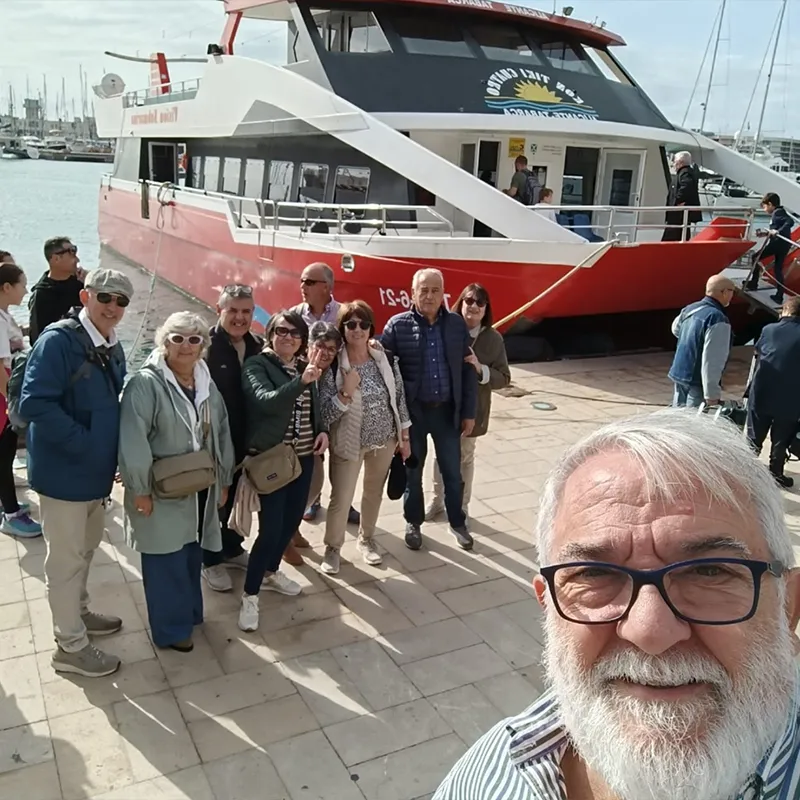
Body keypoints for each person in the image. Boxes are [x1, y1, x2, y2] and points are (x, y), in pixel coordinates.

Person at [434, 410, 800, 800]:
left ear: (789, 606)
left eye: (708, 571)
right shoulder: (482, 781)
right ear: (549, 608)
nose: (650, 632)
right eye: (594, 574)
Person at [19, 269, 131, 677]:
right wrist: (86, 444)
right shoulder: (57, 342)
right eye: (105, 297)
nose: (113, 307)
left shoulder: (111, 343)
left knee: (85, 550)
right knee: (64, 563)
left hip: (93, 475)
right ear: (86, 296)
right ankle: (69, 646)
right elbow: (34, 404)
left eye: (121, 301)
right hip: (64, 474)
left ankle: (78, 614)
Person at [119, 312, 234, 652]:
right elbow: (133, 439)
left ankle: (190, 614)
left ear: (203, 345)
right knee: (164, 558)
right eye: (177, 338)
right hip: (160, 487)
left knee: (189, 554)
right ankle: (171, 631)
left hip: (198, 485)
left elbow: (221, 431)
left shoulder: (205, 381)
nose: (186, 346)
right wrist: (140, 489)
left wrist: (224, 478)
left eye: (194, 339)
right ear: (164, 342)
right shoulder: (145, 384)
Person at [238, 310, 329, 632]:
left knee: (291, 522)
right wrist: (301, 382)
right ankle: (250, 595)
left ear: (302, 340)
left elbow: (313, 406)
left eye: (295, 332)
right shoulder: (257, 366)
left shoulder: (305, 367)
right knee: (271, 529)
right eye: (281, 331)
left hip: (303, 458)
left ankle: (271, 572)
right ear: (270, 334)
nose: (288, 337)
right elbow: (266, 401)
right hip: (273, 460)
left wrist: (321, 429)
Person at [382, 268, 477, 551]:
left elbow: (467, 370)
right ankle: (413, 522)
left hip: (447, 412)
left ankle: (457, 522)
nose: (429, 296)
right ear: (413, 293)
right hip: (413, 415)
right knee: (413, 471)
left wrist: (469, 413)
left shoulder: (456, 325)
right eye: (423, 290)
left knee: (452, 472)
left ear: (443, 294)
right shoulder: (397, 326)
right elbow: (382, 369)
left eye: (435, 290)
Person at [318, 301, 410, 574]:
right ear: (342, 328)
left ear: (371, 328)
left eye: (364, 324)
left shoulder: (384, 357)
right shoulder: (335, 365)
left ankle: (367, 539)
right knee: (341, 497)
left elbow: (399, 397)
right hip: (348, 443)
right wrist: (346, 392)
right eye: (351, 324)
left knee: (373, 492)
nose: (357, 329)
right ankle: (332, 548)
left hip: (385, 439)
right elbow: (325, 413)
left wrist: (404, 437)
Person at [427, 284, 509, 522]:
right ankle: (437, 500)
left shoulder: (493, 339)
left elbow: (504, 377)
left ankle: (462, 506)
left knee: (465, 456)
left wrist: (480, 368)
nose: (473, 306)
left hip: (473, 409)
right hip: (443, 405)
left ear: (486, 309)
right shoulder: (445, 328)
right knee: (441, 454)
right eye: (469, 301)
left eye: (480, 303)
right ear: (460, 302)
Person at [201, 284, 261, 592]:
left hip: (245, 440)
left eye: (246, 311)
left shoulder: (257, 345)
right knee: (212, 501)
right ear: (218, 310)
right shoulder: (204, 347)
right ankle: (210, 560)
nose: (239, 317)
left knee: (237, 495)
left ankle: (232, 547)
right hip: (212, 441)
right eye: (233, 310)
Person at [292, 262, 359, 526]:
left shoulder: (343, 313)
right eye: (302, 281)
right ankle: (313, 498)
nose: (303, 286)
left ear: (327, 286)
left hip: (340, 385)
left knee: (340, 451)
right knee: (314, 449)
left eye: (309, 282)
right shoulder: (295, 315)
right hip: (308, 386)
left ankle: (343, 502)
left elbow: (357, 340)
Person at [284, 320, 342, 568]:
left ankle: (292, 528)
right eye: (320, 346)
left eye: (332, 349)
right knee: (291, 493)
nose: (325, 353)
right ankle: (283, 541)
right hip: (289, 444)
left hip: (313, 442)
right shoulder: (296, 367)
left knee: (312, 486)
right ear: (308, 345)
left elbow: (322, 413)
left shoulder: (328, 373)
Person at [0, 262, 41, 537]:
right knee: (4, 455)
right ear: (6, 287)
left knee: (6, 453)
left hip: (7, 393)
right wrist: (12, 403)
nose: (25, 291)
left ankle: (7, 505)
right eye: (22, 285)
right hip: (4, 397)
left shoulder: (4, 316)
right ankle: (11, 514)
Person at [746, 295, 800, 489]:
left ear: (785, 310)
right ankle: (776, 474)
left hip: (762, 391)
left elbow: (759, 353)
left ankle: (746, 474)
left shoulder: (768, 330)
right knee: (781, 439)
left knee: (754, 437)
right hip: (792, 397)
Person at [667, 273, 734, 408]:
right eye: (732, 291)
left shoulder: (690, 308)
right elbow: (713, 360)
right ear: (724, 292)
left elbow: (675, 329)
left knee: (677, 416)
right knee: (693, 419)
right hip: (697, 381)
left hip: (679, 372)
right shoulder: (717, 318)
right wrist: (711, 394)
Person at [28, 237, 84, 345]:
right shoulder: (42, 295)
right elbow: (37, 339)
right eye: (71, 254)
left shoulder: (81, 283)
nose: (77, 260)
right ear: (56, 259)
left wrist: (90, 281)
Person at [746, 192, 795, 304]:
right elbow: (777, 228)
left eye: (764, 207)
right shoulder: (780, 212)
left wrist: (778, 231)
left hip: (777, 243)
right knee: (778, 268)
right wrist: (765, 234)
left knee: (755, 257)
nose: (764, 210)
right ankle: (779, 295)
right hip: (783, 244)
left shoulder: (777, 212)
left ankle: (753, 283)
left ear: (770, 204)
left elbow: (790, 221)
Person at [661, 151, 701, 242]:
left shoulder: (685, 173)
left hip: (678, 215)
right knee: (681, 234)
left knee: (670, 237)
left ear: (680, 162)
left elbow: (686, 187)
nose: (674, 164)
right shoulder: (685, 173)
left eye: (675, 161)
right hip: (679, 215)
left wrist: (677, 201)